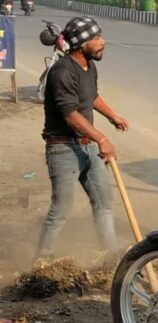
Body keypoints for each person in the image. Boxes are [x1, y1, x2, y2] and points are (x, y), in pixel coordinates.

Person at [37, 17, 128, 259]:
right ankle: (42, 263)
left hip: (88, 148)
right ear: (80, 44)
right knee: (61, 209)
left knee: (104, 203)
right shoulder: (62, 72)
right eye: (96, 39)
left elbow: (92, 96)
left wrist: (113, 116)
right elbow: (69, 114)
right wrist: (102, 138)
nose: (102, 42)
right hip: (63, 149)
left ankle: (111, 259)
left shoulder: (89, 65)